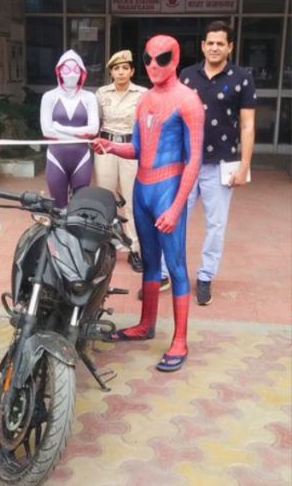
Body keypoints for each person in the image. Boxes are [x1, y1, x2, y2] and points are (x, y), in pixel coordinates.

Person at [94, 34, 204, 372]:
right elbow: (139, 150)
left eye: (162, 58)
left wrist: (176, 206)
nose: (153, 66)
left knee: (176, 264)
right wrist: (112, 147)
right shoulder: (144, 101)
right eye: (148, 59)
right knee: (149, 260)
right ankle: (146, 324)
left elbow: (195, 159)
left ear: (176, 58)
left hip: (168, 190)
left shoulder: (188, 101)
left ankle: (180, 340)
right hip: (142, 191)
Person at [175, 20, 256, 306]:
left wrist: (244, 165)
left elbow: (247, 125)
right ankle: (166, 271)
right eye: (210, 42)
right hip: (185, 163)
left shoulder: (242, 78)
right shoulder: (186, 76)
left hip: (221, 164)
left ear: (230, 47)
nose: (214, 47)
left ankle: (205, 278)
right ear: (202, 45)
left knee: (216, 224)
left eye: (220, 43)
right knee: (172, 219)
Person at [94, 50, 148, 273]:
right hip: (105, 149)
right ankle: (107, 247)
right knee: (105, 199)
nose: (121, 72)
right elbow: (94, 122)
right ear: (111, 72)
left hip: (131, 149)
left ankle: (134, 249)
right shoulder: (101, 93)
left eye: (125, 68)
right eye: (116, 68)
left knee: (130, 199)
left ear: (132, 71)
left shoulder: (143, 94)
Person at [40, 50, 100, 208]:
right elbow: (46, 131)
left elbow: (93, 130)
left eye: (76, 69)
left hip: (82, 158)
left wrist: (61, 128)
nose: (72, 74)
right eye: (66, 69)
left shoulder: (89, 97)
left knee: (79, 207)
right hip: (56, 158)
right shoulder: (49, 97)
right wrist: (80, 133)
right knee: (58, 207)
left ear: (82, 72)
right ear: (59, 71)